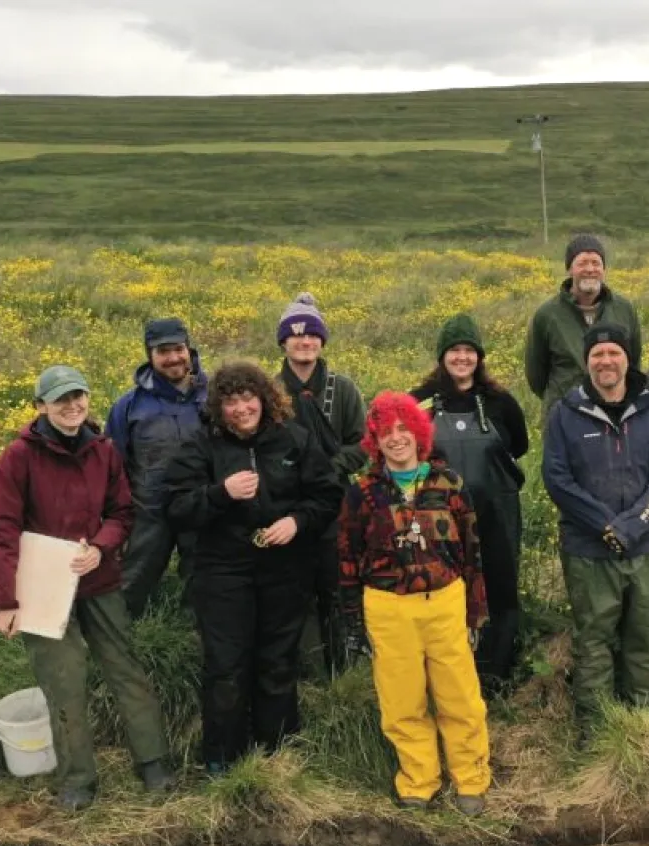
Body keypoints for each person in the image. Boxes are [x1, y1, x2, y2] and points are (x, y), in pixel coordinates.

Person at [0, 365, 173, 811]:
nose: (72, 406)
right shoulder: (18, 456)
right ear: (42, 406)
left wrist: (103, 546)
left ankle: (154, 763)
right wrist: (4, 600)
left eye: (79, 396)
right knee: (63, 680)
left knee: (125, 667)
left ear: (89, 399)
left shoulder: (104, 451)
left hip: (99, 580)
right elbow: (3, 529)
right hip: (42, 589)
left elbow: (122, 512)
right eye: (61, 399)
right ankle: (78, 780)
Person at [162, 361, 343, 773]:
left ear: (264, 399)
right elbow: (176, 508)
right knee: (227, 666)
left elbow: (327, 495)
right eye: (230, 401)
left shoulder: (294, 439)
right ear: (218, 407)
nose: (241, 408)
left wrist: (296, 522)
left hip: (284, 570)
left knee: (278, 661)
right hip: (222, 573)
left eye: (248, 398)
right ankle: (222, 759)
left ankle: (276, 753)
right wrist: (220, 493)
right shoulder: (201, 446)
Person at [337, 391, 491, 815]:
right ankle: (418, 781)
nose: (396, 438)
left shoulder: (449, 484)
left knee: (459, 696)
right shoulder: (361, 494)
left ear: (419, 434)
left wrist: (476, 612)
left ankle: (471, 779)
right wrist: (353, 624)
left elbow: (473, 554)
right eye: (385, 431)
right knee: (402, 701)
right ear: (375, 440)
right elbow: (348, 560)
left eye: (404, 428)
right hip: (387, 608)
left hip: (445, 602)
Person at [543, 322, 649, 738]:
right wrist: (606, 526)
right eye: (597, 354)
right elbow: (557, 479)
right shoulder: (566, 413)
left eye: (613, 353)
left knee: (645, 638)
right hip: (589, 551)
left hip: (647, 547)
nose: (606, 361)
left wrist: (636, 523)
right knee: (594, 642)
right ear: (587, 362)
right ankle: (596, 727)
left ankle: (641, 722)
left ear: (627, 358)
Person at [411, 314, 529, 694]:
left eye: (469, 351)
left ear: (479, 356)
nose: (462, 358)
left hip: (496, 515)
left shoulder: (501, 403)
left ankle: (495, 676)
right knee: (444, 593)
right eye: (454, 350)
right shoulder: (420, 403)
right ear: (442, 356)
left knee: (499, 588)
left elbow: (520, 446)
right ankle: (445, 678)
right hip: (439, 521)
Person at [275, 292, 368, 679]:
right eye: (296, 336)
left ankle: (343, 672)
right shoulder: (269, 390)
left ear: (322, 341)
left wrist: (329, 470)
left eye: (312, 335)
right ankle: (308, 671)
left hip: (334, 503)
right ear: (283, 342)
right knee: (296, 589)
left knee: (338, 584)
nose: (304, 342)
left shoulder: (342, 389)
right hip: (286, 505)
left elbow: (362, 443)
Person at [107, 317, 209, 620]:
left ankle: (194, 636)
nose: (173, 357)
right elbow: (113, 464)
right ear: (150, 356)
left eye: (178, 348)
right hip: (149, 512)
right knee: (132, 580)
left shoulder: (214, 397)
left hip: (201, 507)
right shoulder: (129, 405)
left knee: (204, 580)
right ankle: (117, 636)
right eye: (162, 351)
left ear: (189, 350)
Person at [524, 234, 643, 416]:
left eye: (596, 263)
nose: (590, 269)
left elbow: (633, 363)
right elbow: (536, 377)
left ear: (604, 269)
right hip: (564, 415)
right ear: (570, 269)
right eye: (582, 263)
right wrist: (562, 399)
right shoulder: (547, 315)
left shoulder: (624, 310)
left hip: (613, 413)